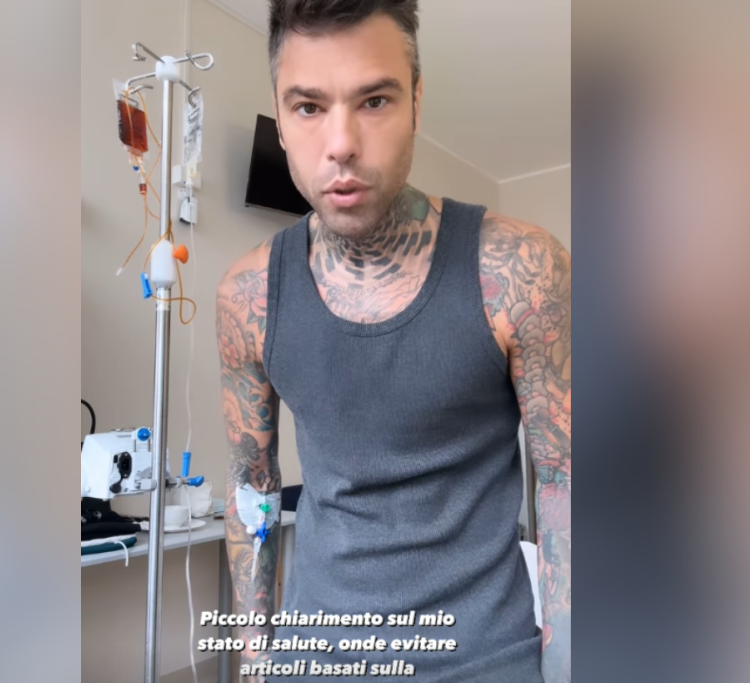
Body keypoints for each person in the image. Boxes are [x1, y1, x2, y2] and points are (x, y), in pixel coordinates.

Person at [216, 1, 571, 681]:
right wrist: (258, 663)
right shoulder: (247, 297)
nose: (341, 143)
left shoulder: (519, 271)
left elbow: (565, 481)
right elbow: (251, 485)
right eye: (308, 107)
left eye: (374, 101)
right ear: (281, 121)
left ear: (416, 102)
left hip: (485, 661)